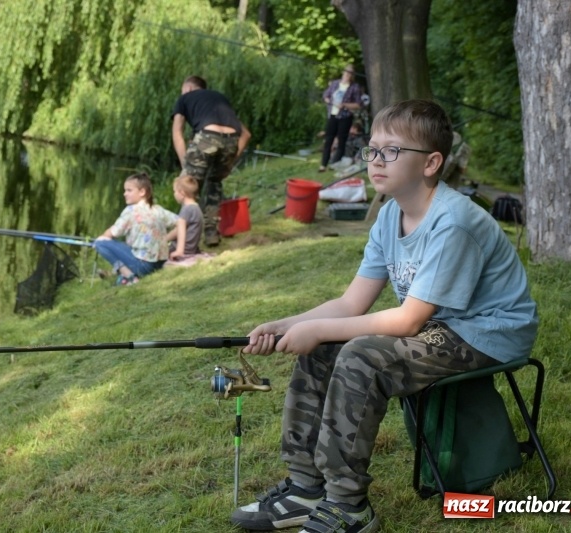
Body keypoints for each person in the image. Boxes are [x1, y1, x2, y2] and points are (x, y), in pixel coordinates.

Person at [230, 99, 538, 533]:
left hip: (486, 332)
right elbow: (350, 304)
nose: (375, 160)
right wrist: (290, 325)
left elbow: (408, 322)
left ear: (431, 163)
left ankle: (347, 506)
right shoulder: (390, 214)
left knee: (362, 357)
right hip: (440, 326)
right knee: (325, 346)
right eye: (372, 149)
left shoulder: (453, 222)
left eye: (391, 151)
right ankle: (305, 487)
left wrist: (318, 329)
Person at [171, 75, 251, 247]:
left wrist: (185, 165)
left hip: (207, 137)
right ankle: (211, 234)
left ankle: (180, 242)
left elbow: (177, 132)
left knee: (185, 188)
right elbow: (246, 134)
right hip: (231, 141)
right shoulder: (220, 99)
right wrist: (231, 160)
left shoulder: (185, 98)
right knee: (214, 183)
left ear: (188, 88)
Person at [94, 172, 185, 286]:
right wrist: (180, 250)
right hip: (159, 264)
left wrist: (103, 238)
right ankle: (121, 275)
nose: (125, 194)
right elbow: (181, 221)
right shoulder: (157, 209)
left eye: (129, 190)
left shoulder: (131, 210)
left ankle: (130, 277)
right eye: (125, 190)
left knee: (99, 243)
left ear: (142, 192)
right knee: (123, 245)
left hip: (142, 266)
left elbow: (113, 233)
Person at [319, 65, 364, 173]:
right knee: (329, 140)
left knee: (341, 141)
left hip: (345, 117)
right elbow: (326, 96)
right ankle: (323, 165)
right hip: (332, 115)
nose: (347, 75)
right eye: (346, 72)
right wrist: (330, 102)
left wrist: (344, 105)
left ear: (352, 75)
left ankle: (335, 163)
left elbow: (358, 104)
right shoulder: (335, 84)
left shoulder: (355, 87)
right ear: (343, 72)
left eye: (350, 73)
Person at [167, 174, 203, 257]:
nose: (174, 194)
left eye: (175, 191)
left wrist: (164, 239)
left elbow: (178, 230)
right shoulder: (196, 207)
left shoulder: (187, 209)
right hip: (192, 249)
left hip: (184, 249)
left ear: (182, 193)